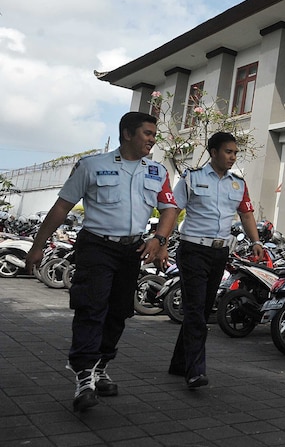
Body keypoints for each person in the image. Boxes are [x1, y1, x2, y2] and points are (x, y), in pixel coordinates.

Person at [25, 112, 179, 413]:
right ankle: (83, 377)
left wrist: (159, 240)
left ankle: (100, 366)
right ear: (126, 134)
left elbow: (169, 209)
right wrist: (37, 246)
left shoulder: (157, 171)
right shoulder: (92, 166)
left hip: (131, 250)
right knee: (91, 308)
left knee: (119, 312)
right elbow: (61, 206)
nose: (152, 139)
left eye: (153, 134)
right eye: (147, 133)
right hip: (96, 246)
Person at [168, 132, 265, 389]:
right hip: (192, 250)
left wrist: (256, 241)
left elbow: (246, 215)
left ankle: (180, 363)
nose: (233, 157)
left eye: (235, 152)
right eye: (228, 152)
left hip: (219, 253)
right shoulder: (191, 178)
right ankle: (195, 371)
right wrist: (160, 241)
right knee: (196, 309)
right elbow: (174, 210)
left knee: (200, 308)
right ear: (213, 152)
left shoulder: (238, 184)